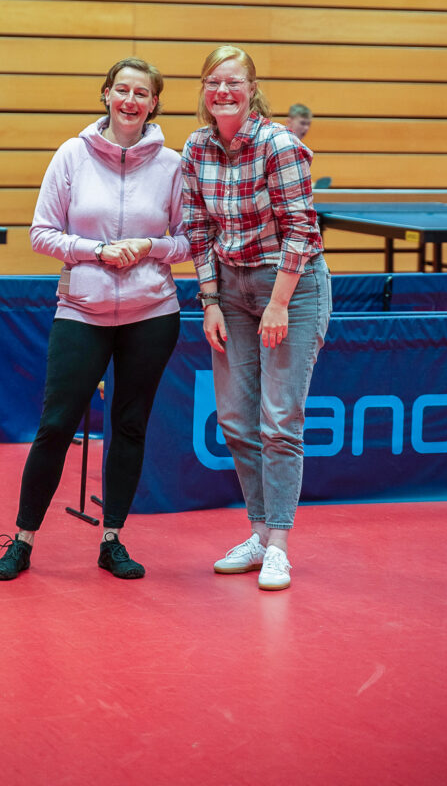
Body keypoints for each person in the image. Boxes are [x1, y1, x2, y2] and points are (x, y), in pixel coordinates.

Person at [0, 57, 189, 581]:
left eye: (141, 93)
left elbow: (191, 239)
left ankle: (112, 539)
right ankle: (23, 540)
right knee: (55, 426)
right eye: (121, 90)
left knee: (129, 426)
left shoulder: (172, 165)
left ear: (154, 104)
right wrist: (96, 251)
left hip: (152, 313)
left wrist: (148, 246)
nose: (130, 100)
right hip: (80, 310)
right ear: (105, 95)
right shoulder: (72, 155)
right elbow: (41, 232)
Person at [181, 46, 330, 590]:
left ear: (251, 88)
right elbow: (198, 229)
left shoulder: (279, 145)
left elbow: (301, 230)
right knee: (237, 422)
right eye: (214, 81)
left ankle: (280, 549)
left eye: (234, 82)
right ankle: (260, 532)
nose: (223, 91)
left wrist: (279, 303)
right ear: (204, 89)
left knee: (279, 422)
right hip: (231, 290)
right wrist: (211, 300)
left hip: (289, 284)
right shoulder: (196, 147)